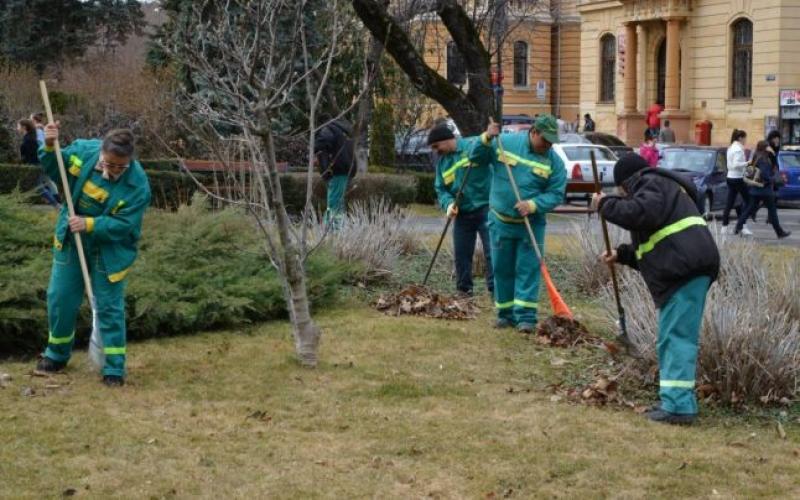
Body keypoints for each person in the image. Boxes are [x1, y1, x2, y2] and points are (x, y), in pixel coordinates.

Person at [592, 153, 720, 425]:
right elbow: (655, 246)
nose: (624, 196)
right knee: (671, 337)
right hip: (685, 266)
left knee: (676, 338)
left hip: (684, 270)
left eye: (621, 191)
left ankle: (679, 407)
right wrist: (622, 254)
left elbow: (640, 213)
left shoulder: (651, 184)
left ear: (627, 183)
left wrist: (605, 203)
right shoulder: (661, 188)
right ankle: (676, 401)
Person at [34, 124, 151, 387]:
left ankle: (113, 368)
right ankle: (56, 354)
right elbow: (57, 168)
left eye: (120, 167)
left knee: (108, 307)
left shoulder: (138, 185)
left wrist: (90, 225)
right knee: (59, 297)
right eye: (108, 164)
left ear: (129, 161)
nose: (112, 172)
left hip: (109, 250)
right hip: (72, 241)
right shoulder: (83, 152)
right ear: (101, 152)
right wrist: (50, 146)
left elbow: (125, 225)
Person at [471, 114, 567, 333]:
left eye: (552, 142)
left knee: (528, 270)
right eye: (545, 141)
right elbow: (477, 157)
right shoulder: (505, 143)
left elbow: (555, 194)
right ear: (533, 132)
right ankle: (505, 314)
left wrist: (532, 205)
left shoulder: (555, 163)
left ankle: (525, 317)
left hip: (530, 227)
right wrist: (486, 137)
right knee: (501, 269)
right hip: (500, 222)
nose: (548, 146)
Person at [430, 123, 493, 297]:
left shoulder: (472, 146)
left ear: (447, 140)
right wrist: (449, 204)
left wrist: (487, 136)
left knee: (492, 251)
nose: (436, 151)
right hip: (462, 213)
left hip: (486, 207)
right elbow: (440, 189)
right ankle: (464, 290)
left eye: (436, 146)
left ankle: (496, 290)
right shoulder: (443, 163)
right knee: (462, 254)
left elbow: (487, 150)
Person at [734, 140, 791, 239]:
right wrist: (773, 180)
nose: (770, 147)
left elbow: (771, 166)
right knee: (772, 211)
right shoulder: (763, 159)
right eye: (768, 146)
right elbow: (765, 174)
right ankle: (779, 232)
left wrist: (773, 154)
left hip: (755, 189)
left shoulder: (756, 156)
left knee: (749, 209)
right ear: (765, 147)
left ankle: (738, 227)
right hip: (764, 190)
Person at [314, 119, 355, 228]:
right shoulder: (341, 131)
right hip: (344, 169)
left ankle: (334, 230)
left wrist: (314, 149)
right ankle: (331, 228)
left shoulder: (327, 130)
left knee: (334, 203)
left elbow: (322, 142)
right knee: (337, 202)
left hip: (336, 171)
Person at [18, 118, 60, 207]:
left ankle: (56, 204)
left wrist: (27, 164)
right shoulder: (30, 137)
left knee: (39, 187)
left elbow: (32, 154)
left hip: (36, 165)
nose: (17, 128)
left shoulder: (29, 139)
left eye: (18, 126)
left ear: (24, 127)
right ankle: (59, 202)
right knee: (48, 183)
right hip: (39, 164)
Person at [722, 129, 752, 235]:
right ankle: (741, 225)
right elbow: (735, 164)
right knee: (749, 202)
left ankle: (724, 227)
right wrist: (747, 163)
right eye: (745, 138)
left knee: (730, 203)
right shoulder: (738, 149)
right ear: (740, 138)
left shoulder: (730, 148)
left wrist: (745, 172)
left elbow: (731, 165)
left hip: (730, 177)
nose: (746, 140)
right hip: (737, 178)